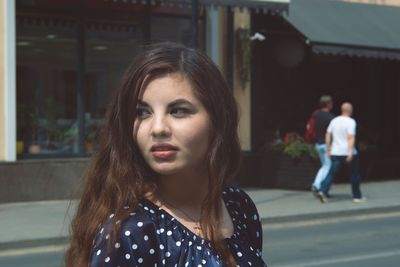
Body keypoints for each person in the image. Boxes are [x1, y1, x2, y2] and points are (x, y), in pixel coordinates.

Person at [65, 42, 267, 267]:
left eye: (178, 110)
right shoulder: (132, 231)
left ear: (217, 120)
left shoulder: (238, 205)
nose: (158, 128)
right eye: (142, 112)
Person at [317, 102, 366, 203]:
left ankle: (323, 190)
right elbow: (351, 137)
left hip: (335, 151)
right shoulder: (351, 122)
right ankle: (357, 196)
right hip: (347, 151)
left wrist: (328, 148)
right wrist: (350, 152)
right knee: (354, 174)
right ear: (350, 110)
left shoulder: (334, 120)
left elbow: (328, 134)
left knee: (332, 173)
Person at [310, 96, 335, 196]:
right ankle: (321, 187)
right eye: (331, 102)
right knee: (328, 166)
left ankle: (316, 185)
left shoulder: (316, 114)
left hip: (318, 144)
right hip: (327, 145)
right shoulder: (330, 117)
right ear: (328, 104)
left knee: (324, 166)